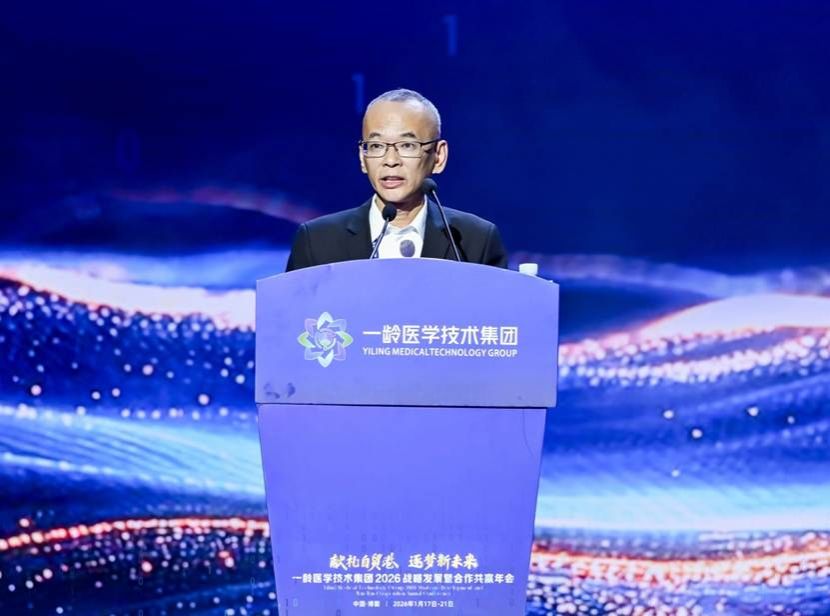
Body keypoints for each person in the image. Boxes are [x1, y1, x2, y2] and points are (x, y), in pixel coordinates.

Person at [285, 88, 507, 271]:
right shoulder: (317, 241)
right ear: (363, 158)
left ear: (438, 157)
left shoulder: (474, 240)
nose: (390, 161)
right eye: (376, 146)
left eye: (407, 145)